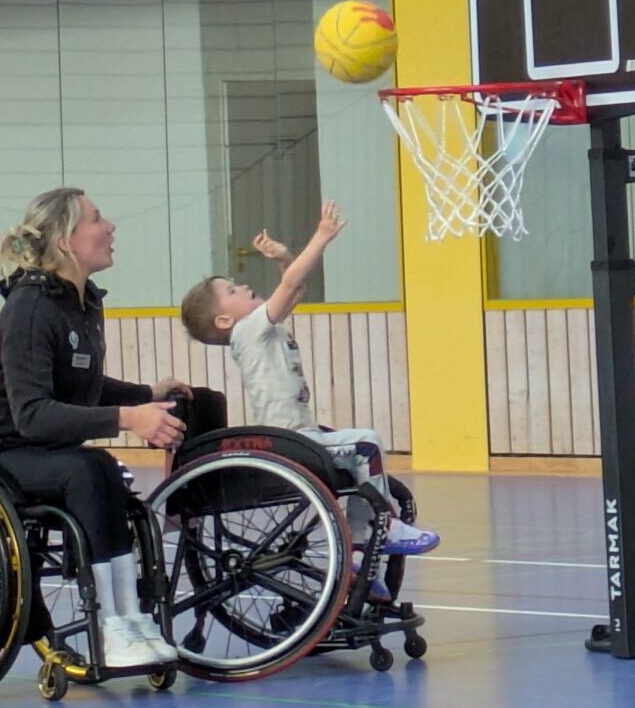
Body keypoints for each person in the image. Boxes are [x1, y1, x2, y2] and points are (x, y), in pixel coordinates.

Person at [0, 187, 187, 669]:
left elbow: (81, 382)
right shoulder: (29, 308)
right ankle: (108, 623)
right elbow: (33, 414)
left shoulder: (81, 302)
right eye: (97, 219)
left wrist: (145, 396)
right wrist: (129, 419)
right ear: (65, 240)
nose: (110, 228)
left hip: (48, 450)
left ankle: (129, 618)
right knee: (89, 468)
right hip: (0, 454)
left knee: (102, 470)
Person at [180, 202, 440, 598]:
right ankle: (372, 529)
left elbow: (294, 288)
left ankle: (356, 549)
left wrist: (285, 257)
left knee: (357, 455)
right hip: (288, 438)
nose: (245, 286)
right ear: (223, 321)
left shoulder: (258, 329)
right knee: (365, 442)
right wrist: (321, 236)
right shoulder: (249, 331)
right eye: (233, 290)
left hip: (297, 433)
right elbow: (288, 288)